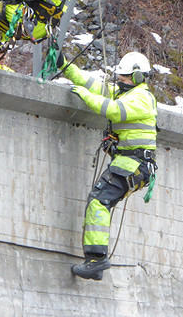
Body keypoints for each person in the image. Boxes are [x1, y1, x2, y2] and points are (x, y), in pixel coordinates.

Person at [59, 51, 158, 280]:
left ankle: (97, 259)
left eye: (123, 78)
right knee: (98, 200)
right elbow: (97, 87)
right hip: (129, 162)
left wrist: (84, 96)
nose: (119, 82)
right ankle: (96, 263)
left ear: (137, 77)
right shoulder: (128, 92)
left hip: (134, 163)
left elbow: (113, 110)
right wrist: (66, 66)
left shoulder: (141, 97)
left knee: (98, 201)